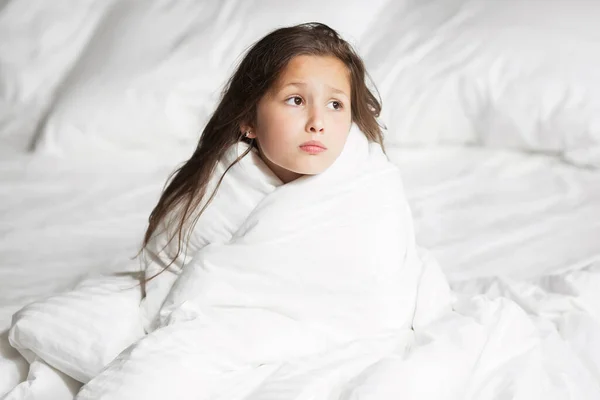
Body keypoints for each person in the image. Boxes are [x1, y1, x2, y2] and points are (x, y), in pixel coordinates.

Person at [136, 22, 386, 332]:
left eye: (335, 104)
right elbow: (169, 281)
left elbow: (383, 286)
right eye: (296, 100)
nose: (317, 122)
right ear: (248, 120)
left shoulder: (370, 179)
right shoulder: (212, 194)